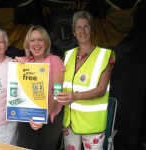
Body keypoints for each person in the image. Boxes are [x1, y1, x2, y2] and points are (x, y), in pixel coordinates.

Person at [56, 10, 115, 150]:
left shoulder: (105, 55)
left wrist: (74, 96)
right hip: (70, 122)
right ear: (73, 32)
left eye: (86, 26)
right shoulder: (67, 55)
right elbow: (53, 76)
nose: (82, 31)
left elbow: (101, 90)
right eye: (78, 27)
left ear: (92, 30)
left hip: (92, 124)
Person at [14, 25, 65, 150]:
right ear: (28, 44)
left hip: (50, 116)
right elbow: (15, 89)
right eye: (32, 40)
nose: (36, 44)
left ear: (46, 43)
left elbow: (57, 92)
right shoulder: (23, 62)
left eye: (40, 39)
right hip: (27, 116)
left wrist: (43, 116)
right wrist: (16, 68)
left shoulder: (55, 61)